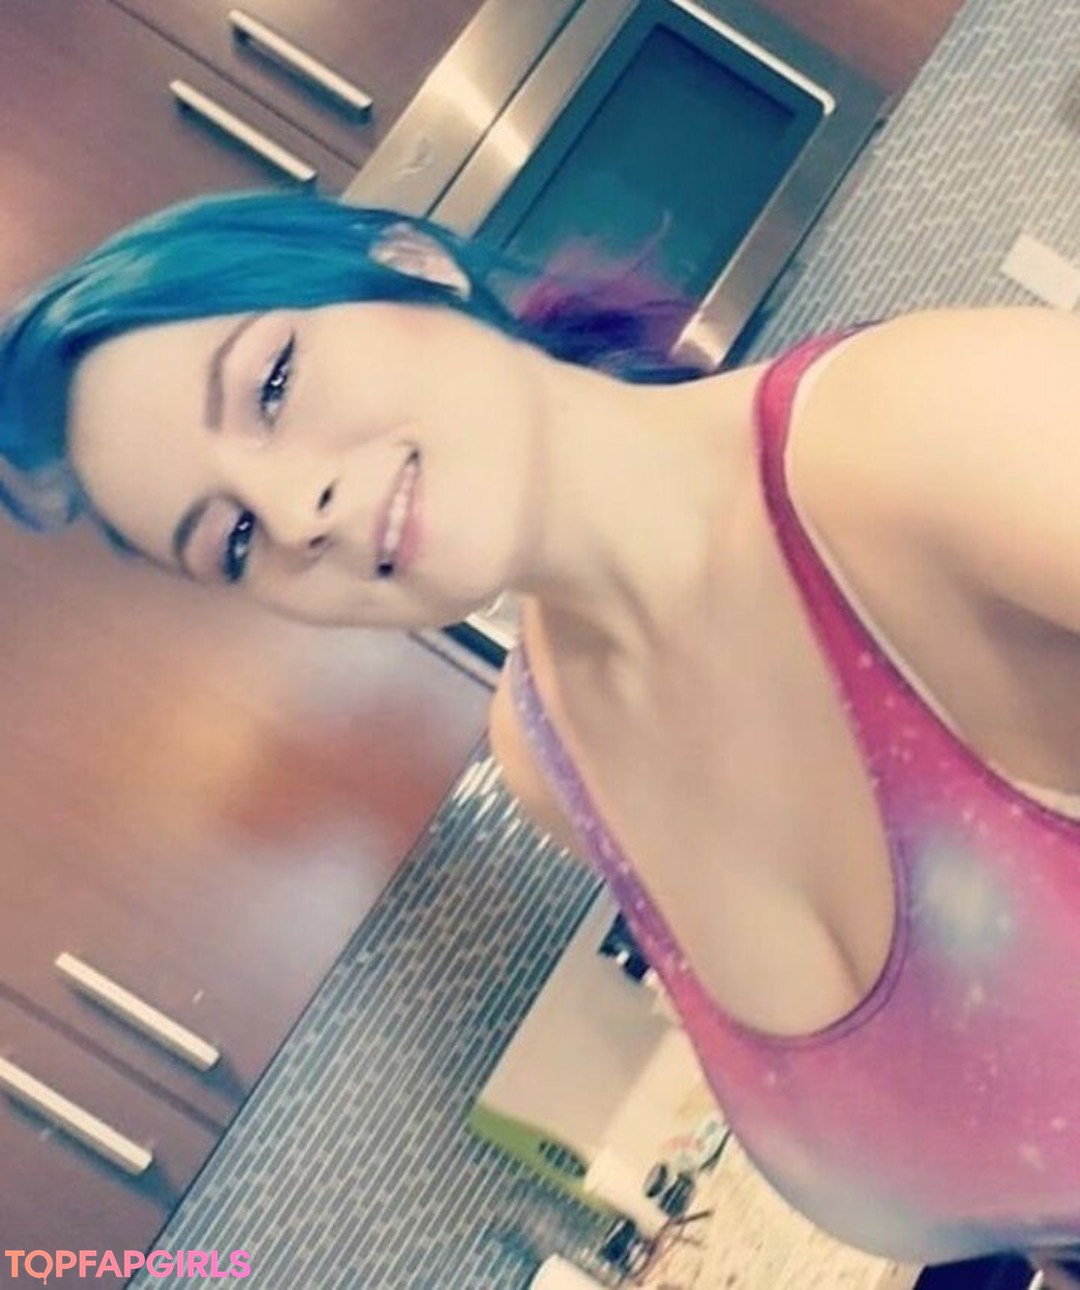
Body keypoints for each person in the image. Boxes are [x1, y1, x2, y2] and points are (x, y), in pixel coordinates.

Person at [2, 189, 1079, 1287]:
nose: (293, 512)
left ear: (410, 262)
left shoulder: (914, 437)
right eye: (232, 540)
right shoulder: (547, 762)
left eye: (272, 386)